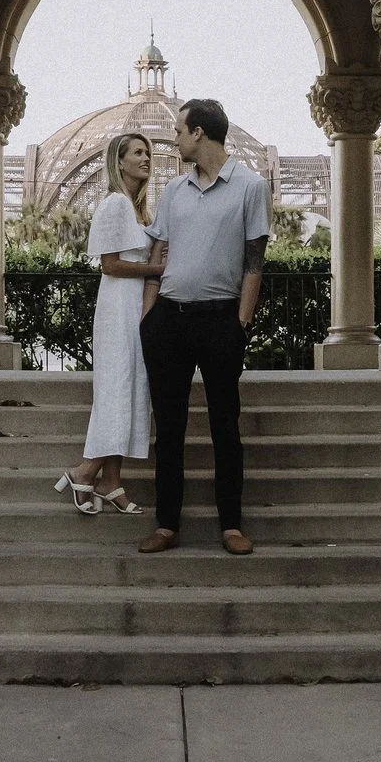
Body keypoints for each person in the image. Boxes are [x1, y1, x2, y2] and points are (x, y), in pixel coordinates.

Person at [137, 97, 269, 555]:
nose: (172, 138)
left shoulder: (251, 186)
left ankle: (231, 525)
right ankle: (166, 524)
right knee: (168, 429)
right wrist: (146, 317)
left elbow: (255, 262)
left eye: (178, 130)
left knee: (224, 427)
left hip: (220, 321)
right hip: (168, 321)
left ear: (199, 134)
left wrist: (240, 322)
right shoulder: (174, 190)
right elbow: (157, 253)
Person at [53, 132, 163, 513]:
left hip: (137, 306)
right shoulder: (114, 204)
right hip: (118, 305)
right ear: (119, 162)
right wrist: (158, 268)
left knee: (132, 389)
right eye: (138, 152)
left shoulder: (141, 210)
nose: (146, 158)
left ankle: (112, 482)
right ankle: (85, 472)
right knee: (117, 389)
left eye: (148, 151)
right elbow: (110, 265)